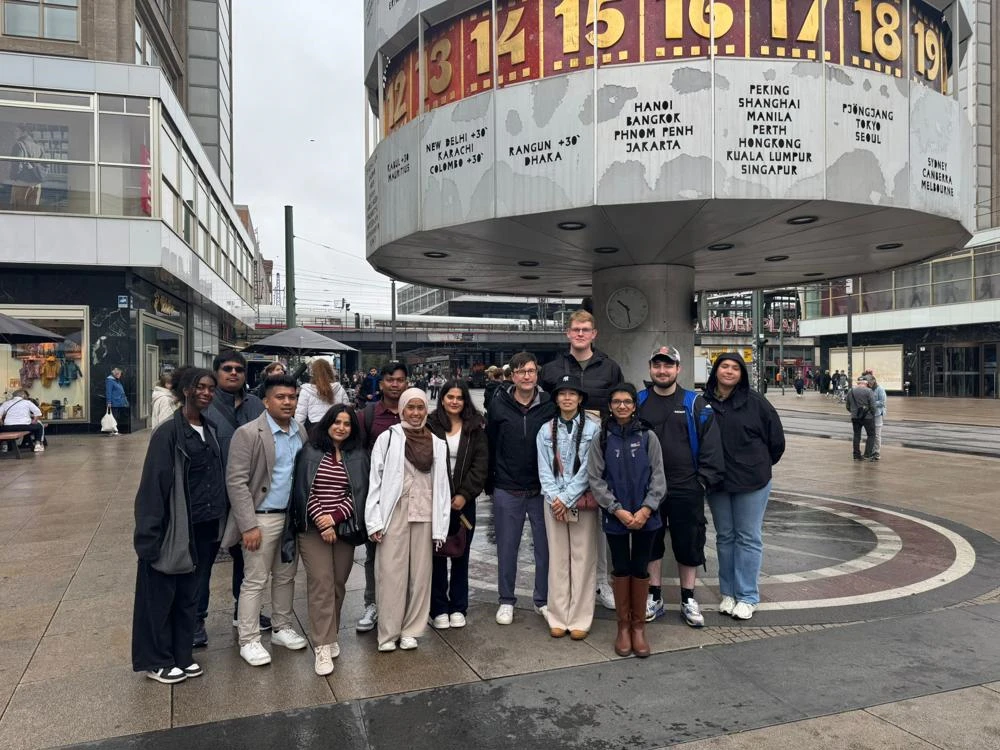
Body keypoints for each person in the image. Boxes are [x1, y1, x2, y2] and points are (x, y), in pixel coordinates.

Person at [132, 367, 223, 684]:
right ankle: (156, 659)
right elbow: (153, 485)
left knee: (189, 595)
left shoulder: (208, 428)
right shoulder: (169, 432)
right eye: (200, 387)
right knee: (160, 597)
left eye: (211, 388)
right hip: (174, 527)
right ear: (185, 390)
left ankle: (182, 655)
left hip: (203, 527)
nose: (206, 393)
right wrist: (148, 535)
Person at [540, 309, 624, 612]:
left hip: (598, 450)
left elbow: (619, 408)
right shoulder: (551, 370)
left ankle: (601, 581)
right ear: (567, 333)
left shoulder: (610, 368)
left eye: (585, 329)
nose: (580, 334)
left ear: (594, 334)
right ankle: (567, 590)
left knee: (598, 522)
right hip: (561, 453)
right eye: (575, 329)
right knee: (565, 527)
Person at [223, 374, 309, 666]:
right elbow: (236, 482)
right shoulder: (248, 433)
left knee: (286, 576)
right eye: (281, 397)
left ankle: (281, 627)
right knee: (255, 580)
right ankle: (248, 639)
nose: (287, 402)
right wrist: (248, 524)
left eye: (292, 397)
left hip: (291, 519)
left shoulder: (301, 431)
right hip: (262, 519)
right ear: (265, 401)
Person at [637, 346, 724, 627]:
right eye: (657, 365)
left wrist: (702, 481)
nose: (662, 371)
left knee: (689, 543)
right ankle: (655, 595)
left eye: (668, 365)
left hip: (686, 487)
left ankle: (688, 597)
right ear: (650, 368)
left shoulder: (693, 403)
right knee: (651, 543)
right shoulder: (638, 401)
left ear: (678, 369)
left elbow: (711, 446)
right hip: (648, 489)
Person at [365, 388, 451, 651]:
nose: (415, 413)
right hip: (395, 512)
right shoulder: (388, 438)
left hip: (424, 512)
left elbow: (443, 487)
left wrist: (441, 526)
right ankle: (388, 632)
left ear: (427, 410)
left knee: (421, 575)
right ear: (402, 410)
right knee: (391, 573)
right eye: (410, 408)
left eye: (420, 408)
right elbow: (375, 481)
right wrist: (374, 520)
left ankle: (412, 628)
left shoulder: (437, 443)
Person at [703, 354, 785, 621]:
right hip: (718, 481)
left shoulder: (756, 402)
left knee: (748, 537)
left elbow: (776, 441)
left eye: (735, 367)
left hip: (752, 480)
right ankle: (728, 593)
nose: (729, 371)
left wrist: (758, 464)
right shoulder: (704, 402)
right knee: (725, 537)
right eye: (724, 366)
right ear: (715, 371)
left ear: (742, 373)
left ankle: (748, 596)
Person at [587, 383, 666, 658]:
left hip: (647, 517)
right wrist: (616, 509)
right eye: (617, 401)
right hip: (616, 516)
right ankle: (622, 627)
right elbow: (595, 479)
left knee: (641, 568)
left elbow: (659, 477)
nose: (622, 406)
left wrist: (646, 509)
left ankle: (638, 627)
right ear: (610, 406)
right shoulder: (602, 438)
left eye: (627, 401)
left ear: (635, 405)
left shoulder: (648, 437)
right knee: (620, 568)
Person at [290, 404, 370, 675]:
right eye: (337, 422)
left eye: (347, 424)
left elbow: (359, 493)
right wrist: (322, 521)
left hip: (344, 527)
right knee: (321, 582)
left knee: (337, 583)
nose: (341, 428)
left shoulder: (358, 455)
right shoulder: (310, 452)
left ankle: (331, 633)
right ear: (327, 423)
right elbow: (304, 490)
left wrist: (335, 518)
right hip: (313, 529)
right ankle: (322, 646)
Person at [202, 351, 270, 640]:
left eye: (239, 369)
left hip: (248, 495)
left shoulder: (255, 404)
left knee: (246, 558)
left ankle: (242, 611)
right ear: (216, 372)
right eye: (227, 369)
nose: (233, 373)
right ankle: (195, 621)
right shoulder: (204, 404)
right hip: (212, 496)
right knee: (202, 561)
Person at [487, 352, 557, 625]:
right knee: (507, 547)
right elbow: (490, 442)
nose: (526, 376)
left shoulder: (549, 405)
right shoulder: (499, 404)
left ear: (536, 374)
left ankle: (543, 599)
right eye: (520, 371)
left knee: (545, 548)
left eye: (530, 371)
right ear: (512, 376)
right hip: (507, 487)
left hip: (541, 489)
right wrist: (490, 482)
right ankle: (506, 600)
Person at [536, 374, 600, 640]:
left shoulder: (593, 429)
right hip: (553, 502)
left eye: (572, 393)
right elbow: (543, 468)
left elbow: (589, 468)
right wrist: (556, 498)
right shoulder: (545, 429)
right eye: (562, 394)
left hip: (581, 501)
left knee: (583, 559)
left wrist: (568, 498)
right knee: (558, 558)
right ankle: (559, 615)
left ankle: (581, 619)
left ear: (580, 398)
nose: (567, 398)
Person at [427, 379, 488, 629]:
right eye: (450, 397)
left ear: (465, 401)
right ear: (442, 398)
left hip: (464, 503)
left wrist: (464, 494)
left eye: (459, 397)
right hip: (435, 501)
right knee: (437, 554)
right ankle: (438, 607)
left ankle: (458, 606)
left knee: (461, 553)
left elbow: (481, 464)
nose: (454, 401)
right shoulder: (430, 424)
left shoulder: (476, 427)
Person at [355, 361, 408, 634]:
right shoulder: (368, 415)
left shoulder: (414, 410)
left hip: (409, 497)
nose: (395, 385)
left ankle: (405, 606)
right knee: (374, 552)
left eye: (400, 380)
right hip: (377, 496)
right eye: (390, 380)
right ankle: (372, 603)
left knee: (408, 555)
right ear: (382, 383)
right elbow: (359, 456)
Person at [295, 359, 349, 429]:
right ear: (330, 371)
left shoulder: (306, 391)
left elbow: (300, 416)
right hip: (336, 426)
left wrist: (298, 433)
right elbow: (347, 410)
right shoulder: (339, 389)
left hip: (314, 428)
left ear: (313, 373)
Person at [846, 375, 878, 461]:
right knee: (871, 435)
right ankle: (867, 454)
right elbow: (873, 406)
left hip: (855, 417)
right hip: (867, 417)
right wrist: (872, 414)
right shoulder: (869, 391)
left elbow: (847, 406)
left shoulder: (851, 391)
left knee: (856, 435)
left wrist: (854, 412)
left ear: (858, 383)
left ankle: (856, 455)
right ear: (866, 383)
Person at [106, 367, 129, 434]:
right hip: (114, 402)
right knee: (113, 417)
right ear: (116, 374)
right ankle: (113, 431)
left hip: (119, 402)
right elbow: (108, 392)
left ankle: (115, 430)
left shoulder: (116, 380)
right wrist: (109, 402)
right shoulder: (110, 381)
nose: (120, 375)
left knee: (116, 417)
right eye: (119, 374)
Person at [870, 375, 887, 461]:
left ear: (874, 380)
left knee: (877, 434)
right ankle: (871, 451)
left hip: (877, 414)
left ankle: (876, 452)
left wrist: (871, 403)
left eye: (870, 381)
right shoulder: (868, 389)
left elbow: (882, 402)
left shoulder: (880, 389)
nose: (869, 383)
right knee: (871, 434)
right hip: (869, 414)